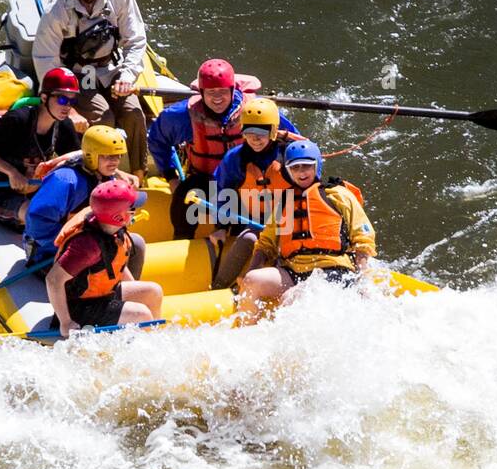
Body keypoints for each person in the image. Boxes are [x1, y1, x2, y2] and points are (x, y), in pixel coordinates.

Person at [31, 0, 149, 181]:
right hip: (78, 77)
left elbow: (136, 40)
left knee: (133, 112)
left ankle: (139, 175)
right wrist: (64, 103)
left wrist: (127, 75)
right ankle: (101, 177)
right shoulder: (58, 11)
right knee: (103, 116)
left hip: (111, 69)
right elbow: (46, 60)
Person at [237, 139, 376, 318]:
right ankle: (246, 334)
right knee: (251, 281)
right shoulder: (284, 201)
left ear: (316, 166)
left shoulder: (338, 195)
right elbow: (266, 244)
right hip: (293, 271)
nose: (301, 172)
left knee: (291, 298)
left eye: (306, 166)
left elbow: (362, 239)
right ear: (288, 170)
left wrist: (363, 279)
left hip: (333, 270)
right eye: (295, 168)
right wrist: (251, 271)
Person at [147, 58, 274, 239]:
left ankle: (243, 242)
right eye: (211, 92)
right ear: (201, 92)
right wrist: (171, 177)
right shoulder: (182, 115)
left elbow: (290, 140)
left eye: (222, 91)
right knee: (184, 196)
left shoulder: (256, 111)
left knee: (245, 222)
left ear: (233, 90)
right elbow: (158, 140)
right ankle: (183, 240)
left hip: (249, 182)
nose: (217, 98)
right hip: (204, 180)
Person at [45, 179, 164, 339]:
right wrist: (65, 322)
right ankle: (141, 352)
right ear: (118, 217)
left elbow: (115, 263)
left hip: (101, 295)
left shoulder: (113, 229)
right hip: (79, 308)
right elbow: (53, 280)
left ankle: (154, 339)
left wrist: (133, 294)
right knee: (141, 315)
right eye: (132, 208)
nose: (135, 211)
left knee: (153, 291)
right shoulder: (87, 247)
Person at [0, 67, 84, 229]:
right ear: (44, 97)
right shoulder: (19, 119)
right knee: (37, 215)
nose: (67, 107)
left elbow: (77, 159)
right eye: (62, 100)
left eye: (72, 101)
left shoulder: (63, 125)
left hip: (33, 189)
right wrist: (12, 173)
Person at [208, 96, 302, 289]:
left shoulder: (290, 155)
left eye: (261, 132)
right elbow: (222, 191)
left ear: (274, 131)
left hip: (290, 223)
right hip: (254, 221)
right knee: (249, 238)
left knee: (281, 247)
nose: (255, 139)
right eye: (249, 132)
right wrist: (220, 226)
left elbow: (310, 185)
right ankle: (219, 287)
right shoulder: (235, 159)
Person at [23, 124, 145, 270]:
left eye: (118, 156)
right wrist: (79, 243)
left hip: (89, 243)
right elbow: (37, 224)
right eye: (108, 156)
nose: (115, 161)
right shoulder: (64, 180)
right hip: (50, 254)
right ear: (91, 156)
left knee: (136, 243)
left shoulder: (107, 177)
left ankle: (118, 288)